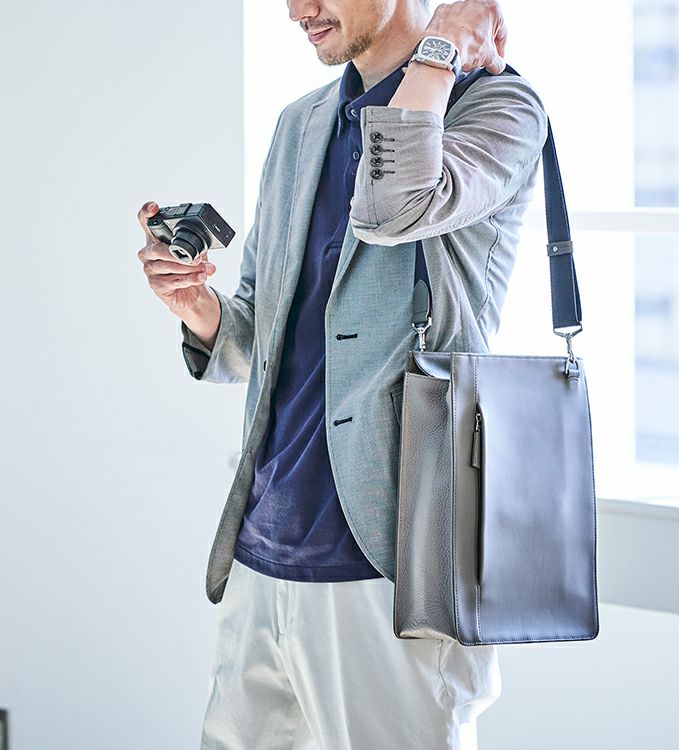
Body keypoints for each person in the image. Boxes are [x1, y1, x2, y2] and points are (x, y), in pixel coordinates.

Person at [137, 1, 548, 747]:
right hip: (262, 549)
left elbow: (394, 208)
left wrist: (437, 54)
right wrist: (198, 307)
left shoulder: (497, 107)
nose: (297, 10)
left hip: (392, 565)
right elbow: (258, 341)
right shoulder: (301, 123)